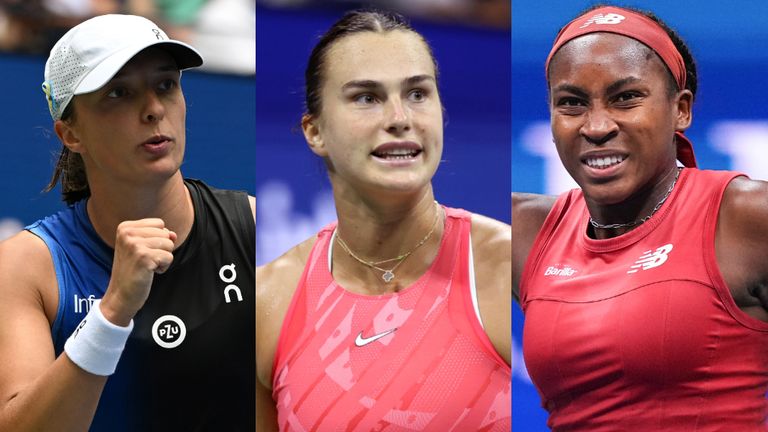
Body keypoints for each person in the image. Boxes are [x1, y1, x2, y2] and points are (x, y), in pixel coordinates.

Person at [512, 4, 768, 430]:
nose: (596, 126)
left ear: (680, 110)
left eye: (626, 98)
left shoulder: (746, 218)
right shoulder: (525, 231)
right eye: (571, 103)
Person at [256, 9, 511, 431]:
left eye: (417, 94)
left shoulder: (508, 269)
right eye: (366, 98)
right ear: (315, 131)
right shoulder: (268, 303)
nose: (399, 118)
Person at [0, 14, 255, 431]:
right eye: (119, 93)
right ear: (70, 134)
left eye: (166, 85)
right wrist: (112, 312)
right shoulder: (26, 266)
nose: (154, 109)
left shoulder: (254, 230)